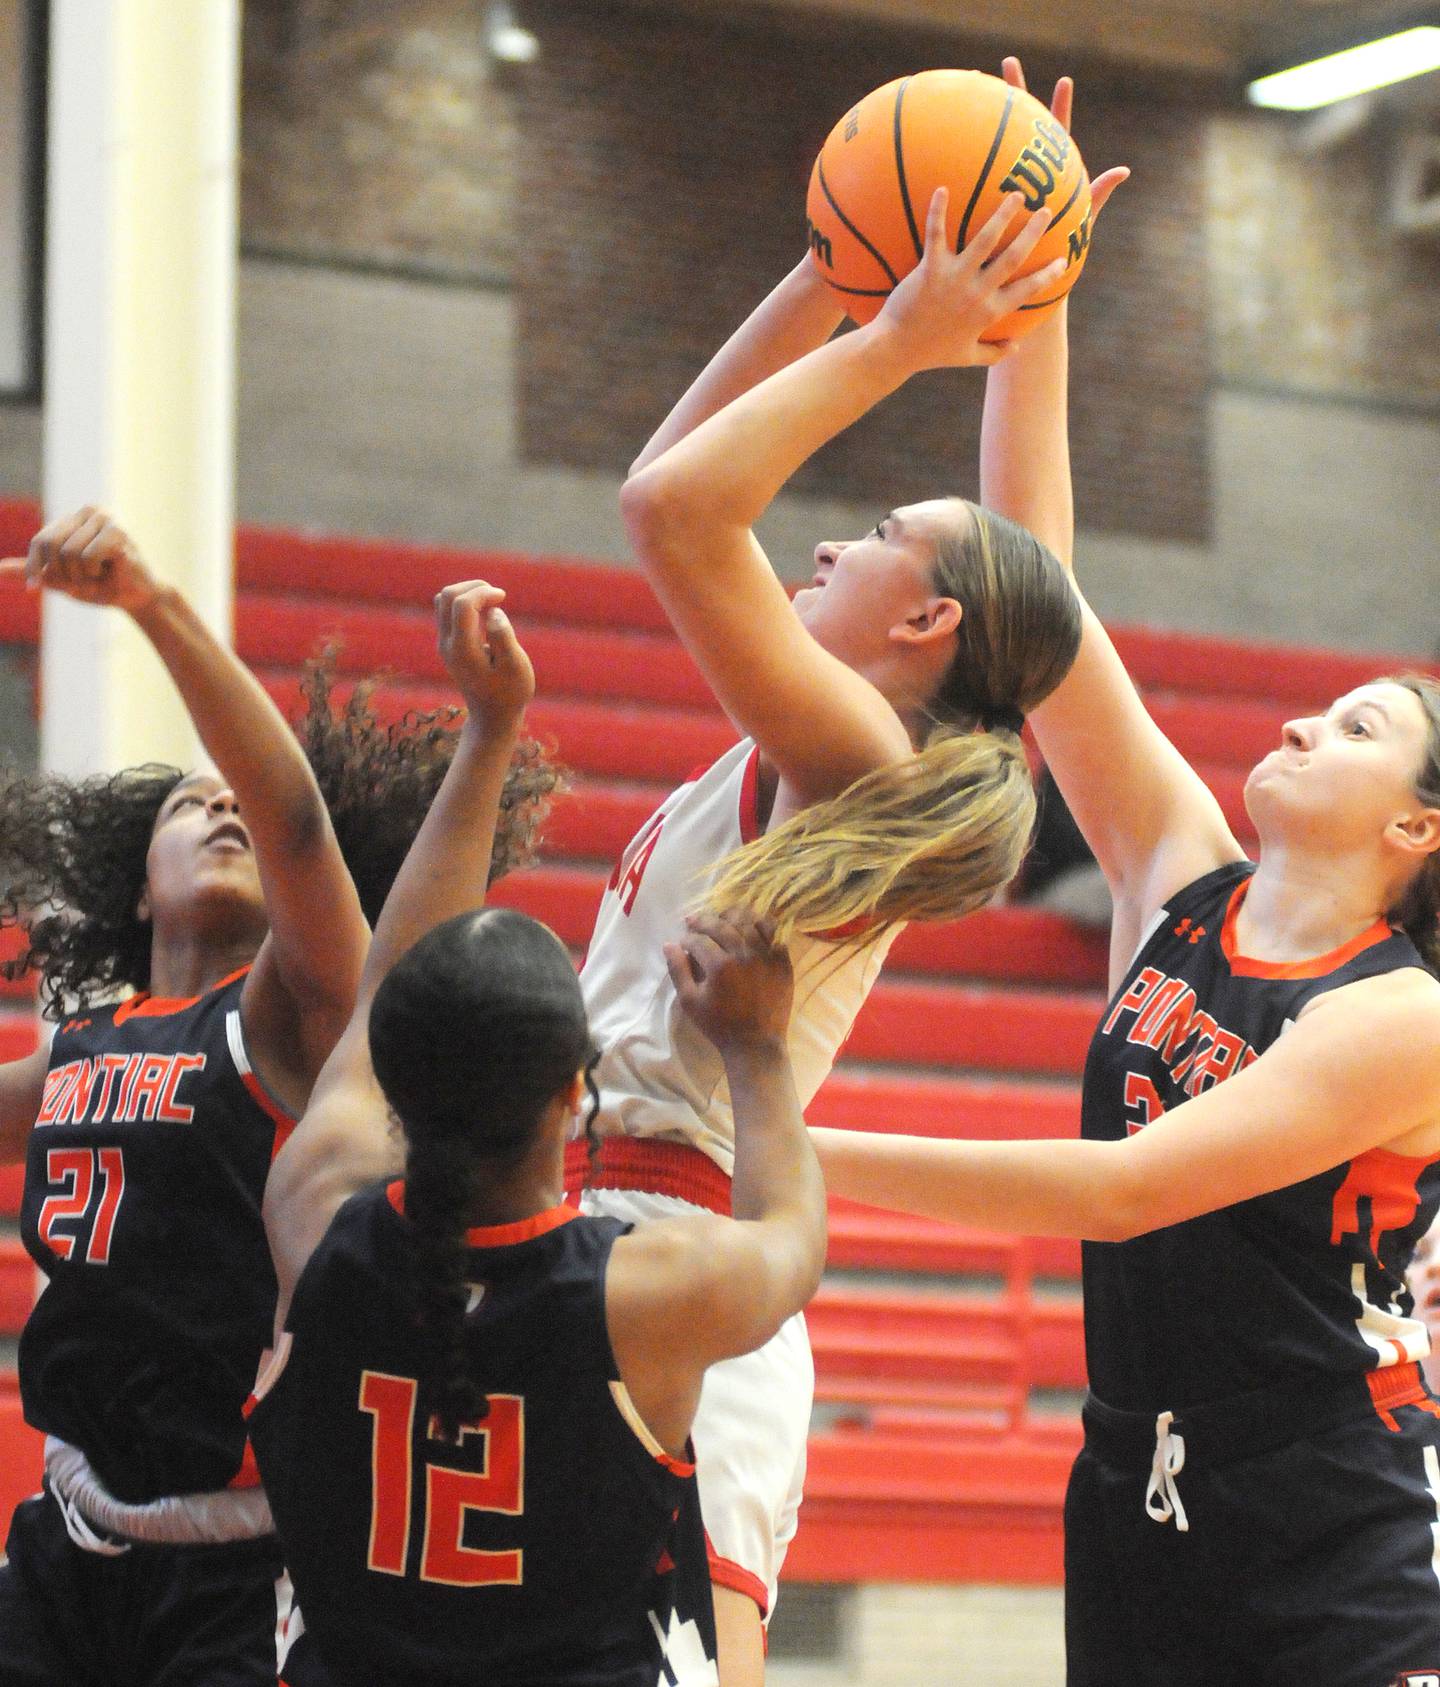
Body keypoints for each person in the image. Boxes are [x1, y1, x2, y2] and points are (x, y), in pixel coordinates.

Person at [810, 58, 1440, 1687]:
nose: (1303, 720)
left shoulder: (1403, 1018)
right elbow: (1038, 606)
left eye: (1359, 728)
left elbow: (1126, 1186)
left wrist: (781, 1145)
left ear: (1419, 828)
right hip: (1132, 1491)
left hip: (1339, 1520)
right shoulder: (1184, 881)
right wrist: (1039, 305)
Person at [584, 123, 1127, 1681]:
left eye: (880, 535)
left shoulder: (858, 751)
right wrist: (966, 287)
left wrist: (894, 337)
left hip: (680, 1233)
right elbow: (675, 474)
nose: (828, 536)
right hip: (633, 1225)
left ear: (928, 621)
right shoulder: (876, 735)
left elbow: (674, 507)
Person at [0, 509, 556, 1686]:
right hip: (67, 1529)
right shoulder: (79, 1048)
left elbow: (293, 814)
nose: (222, 810)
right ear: (134, 893)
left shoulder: (297, 1018)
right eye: (185, 805)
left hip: (239, 1557)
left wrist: (153, 604)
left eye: (234, 804)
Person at [249, 582, 827, 1687]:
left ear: (394, 1083)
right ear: (575, 1092)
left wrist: (489, 732)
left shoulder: (314, 1212)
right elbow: (794, 1239)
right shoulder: (647, 1294)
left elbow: (386, 983)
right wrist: (758, 1050)